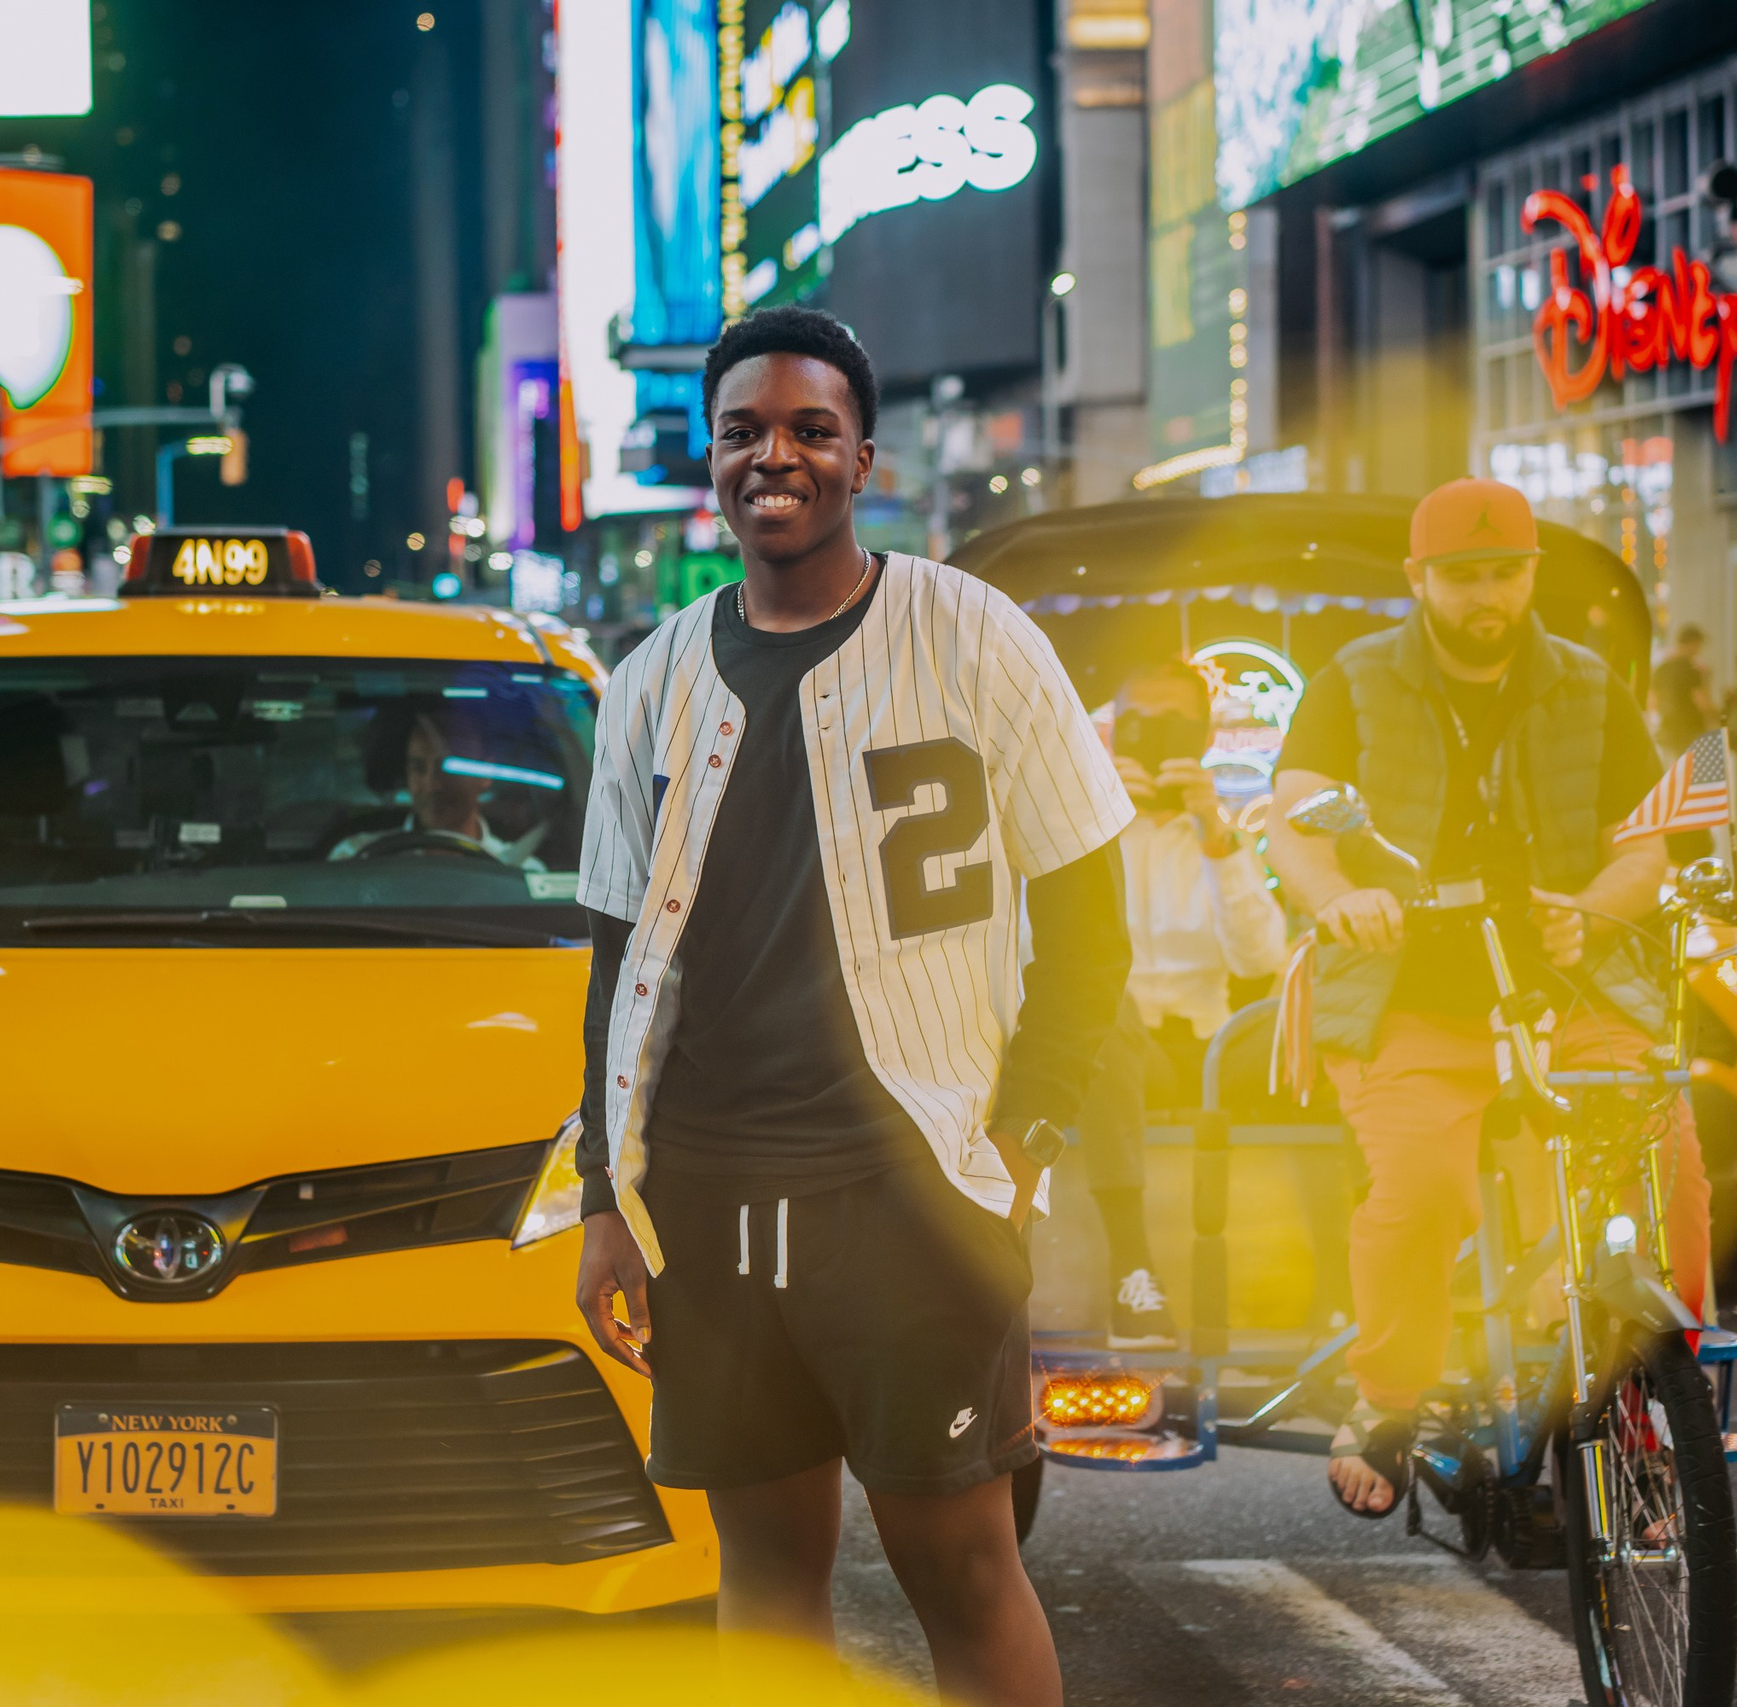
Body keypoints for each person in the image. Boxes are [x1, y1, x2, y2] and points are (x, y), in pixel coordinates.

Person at [573, 306, 1131, 1706]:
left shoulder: (969, 632)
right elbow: (616, 960)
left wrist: (1025, 1138)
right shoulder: (648, 682)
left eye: (810, 429)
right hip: (709, 1193)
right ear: (711, 458)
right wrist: (603, 1196)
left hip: (909, 1190)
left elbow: (1090, 919)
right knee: (764, 1578)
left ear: (862, 457)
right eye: (743, 431)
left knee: (963, 1567)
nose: (775, 455)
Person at [1267, 476, 1707, 1519]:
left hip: (1572, 989)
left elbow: (1642, 846)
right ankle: (1387, 1398)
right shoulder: (1353, 680)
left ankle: (1645, 1403)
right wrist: (1340, 900)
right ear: (1419, 579)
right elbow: (1294, 821)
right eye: (1462, 576)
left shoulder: (1589, 685)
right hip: (1406, 995)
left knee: (1668, 1173)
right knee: (1420, 1190)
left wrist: (1589, 912)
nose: (1486, 595)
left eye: (1505, 572)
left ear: (1530, 575)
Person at [1077, 660, 1287, 1348]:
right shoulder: (1082, 827)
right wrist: (1100, 828)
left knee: (1323, 1015)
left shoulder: (1222, 835)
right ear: (1115, 733)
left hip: (1216, 1046)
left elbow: (1258, 959)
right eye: (1138, 722)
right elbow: (1039, 957)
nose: (1154, 736)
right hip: (1120, 1054)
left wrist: (1216, 838)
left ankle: (1345, 1280)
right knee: (1101, 1011)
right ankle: (1132, 1267)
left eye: (1173, 724)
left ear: (1201, 736)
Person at [327, 707, 546, 868]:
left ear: (486, 773)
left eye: (448, 768)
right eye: (418, 767)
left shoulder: (521, 873)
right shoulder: (355, 858)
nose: (432, 784)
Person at [1652, 622, 1713, 754]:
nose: (1699, 650)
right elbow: (1701, 701)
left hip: (1668, 728)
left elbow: (1653, 701)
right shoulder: (1691, 669)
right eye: (1699, 645)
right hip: (1690, 729)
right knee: (1692, 765)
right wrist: (1715, 715)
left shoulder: (1662, 668)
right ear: (1693, 643)